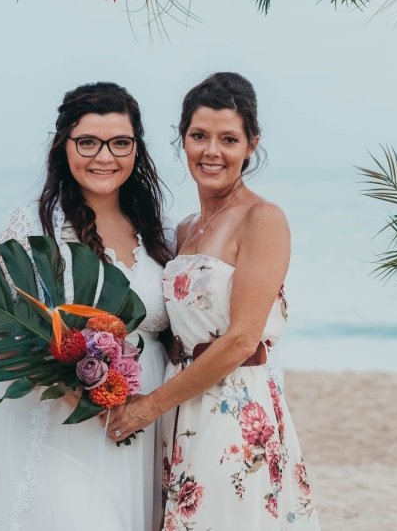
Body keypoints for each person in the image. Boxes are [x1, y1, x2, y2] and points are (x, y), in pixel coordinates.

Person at [0, 82, 172, 531]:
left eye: (120, 143)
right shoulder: (34, 224)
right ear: (63, 145)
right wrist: (72, 386)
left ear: (137, 149)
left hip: (143, 424)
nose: (105, 156)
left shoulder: (157, 228)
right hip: (59, 423)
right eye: (88, 142)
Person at [107, 72, 320, 529]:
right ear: (182, 139)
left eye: (228, 139)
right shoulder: (184, 228)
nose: (211, 151)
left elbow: (243, 337)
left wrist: (150, 406)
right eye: (199, 136)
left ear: (251, 144)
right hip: (182, 402)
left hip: (234, 404)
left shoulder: (263, 219)